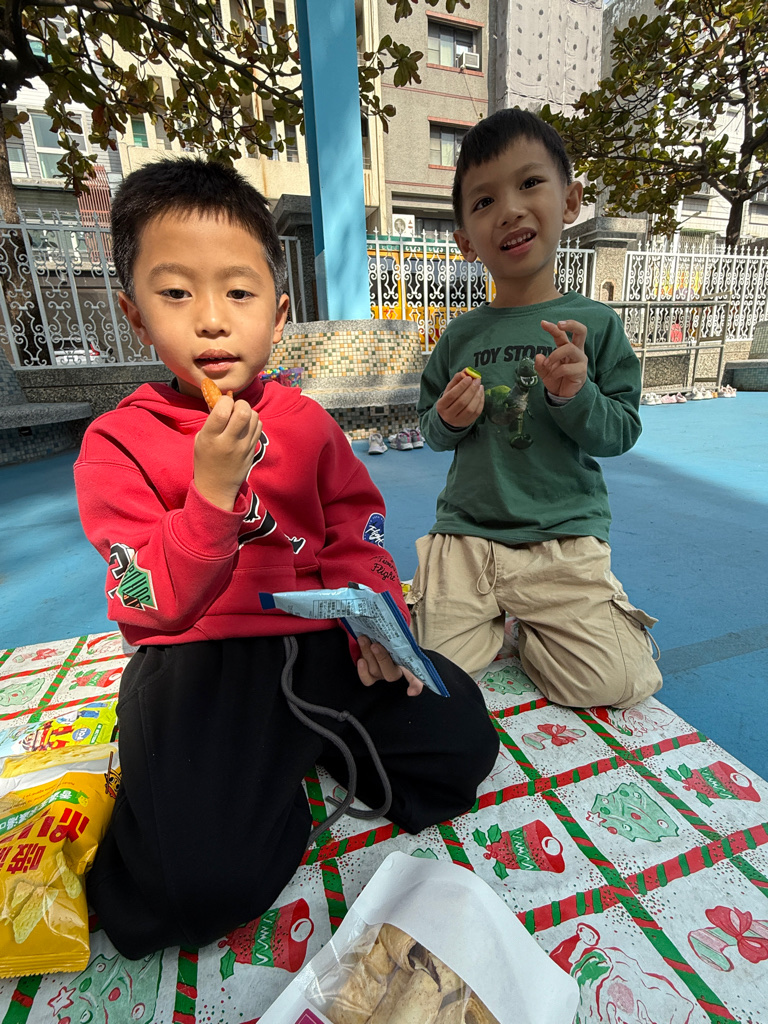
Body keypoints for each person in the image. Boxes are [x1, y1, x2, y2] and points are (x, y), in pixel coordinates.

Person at [74, 157, 499, 959]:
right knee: (191, 890)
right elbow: (145, 600)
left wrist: (377, 621)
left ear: (279, 313)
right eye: (176, 294)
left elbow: (356, 527)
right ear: (135, 317)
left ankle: (300, 747)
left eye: (238, 292)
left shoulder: (306, 422)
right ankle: (265, 782)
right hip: (201, 661)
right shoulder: (116, 443)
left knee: (463, 741)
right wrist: (209, 496)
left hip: (320, 636)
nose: (211, 321)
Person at [406, 109, 662, 710]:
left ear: (570, 201)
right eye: (484, 201)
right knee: (425, 672)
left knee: (618, 683)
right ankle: (490, 614)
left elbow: (621, 431)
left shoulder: (595, 325)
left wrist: (576, 396)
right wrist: (448, 419)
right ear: (466, 241)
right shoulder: (459, 335)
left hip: (562, 537)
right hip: (467, 534)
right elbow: (430, 429)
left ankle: (534, 628)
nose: (510, 210)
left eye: (529, 183)